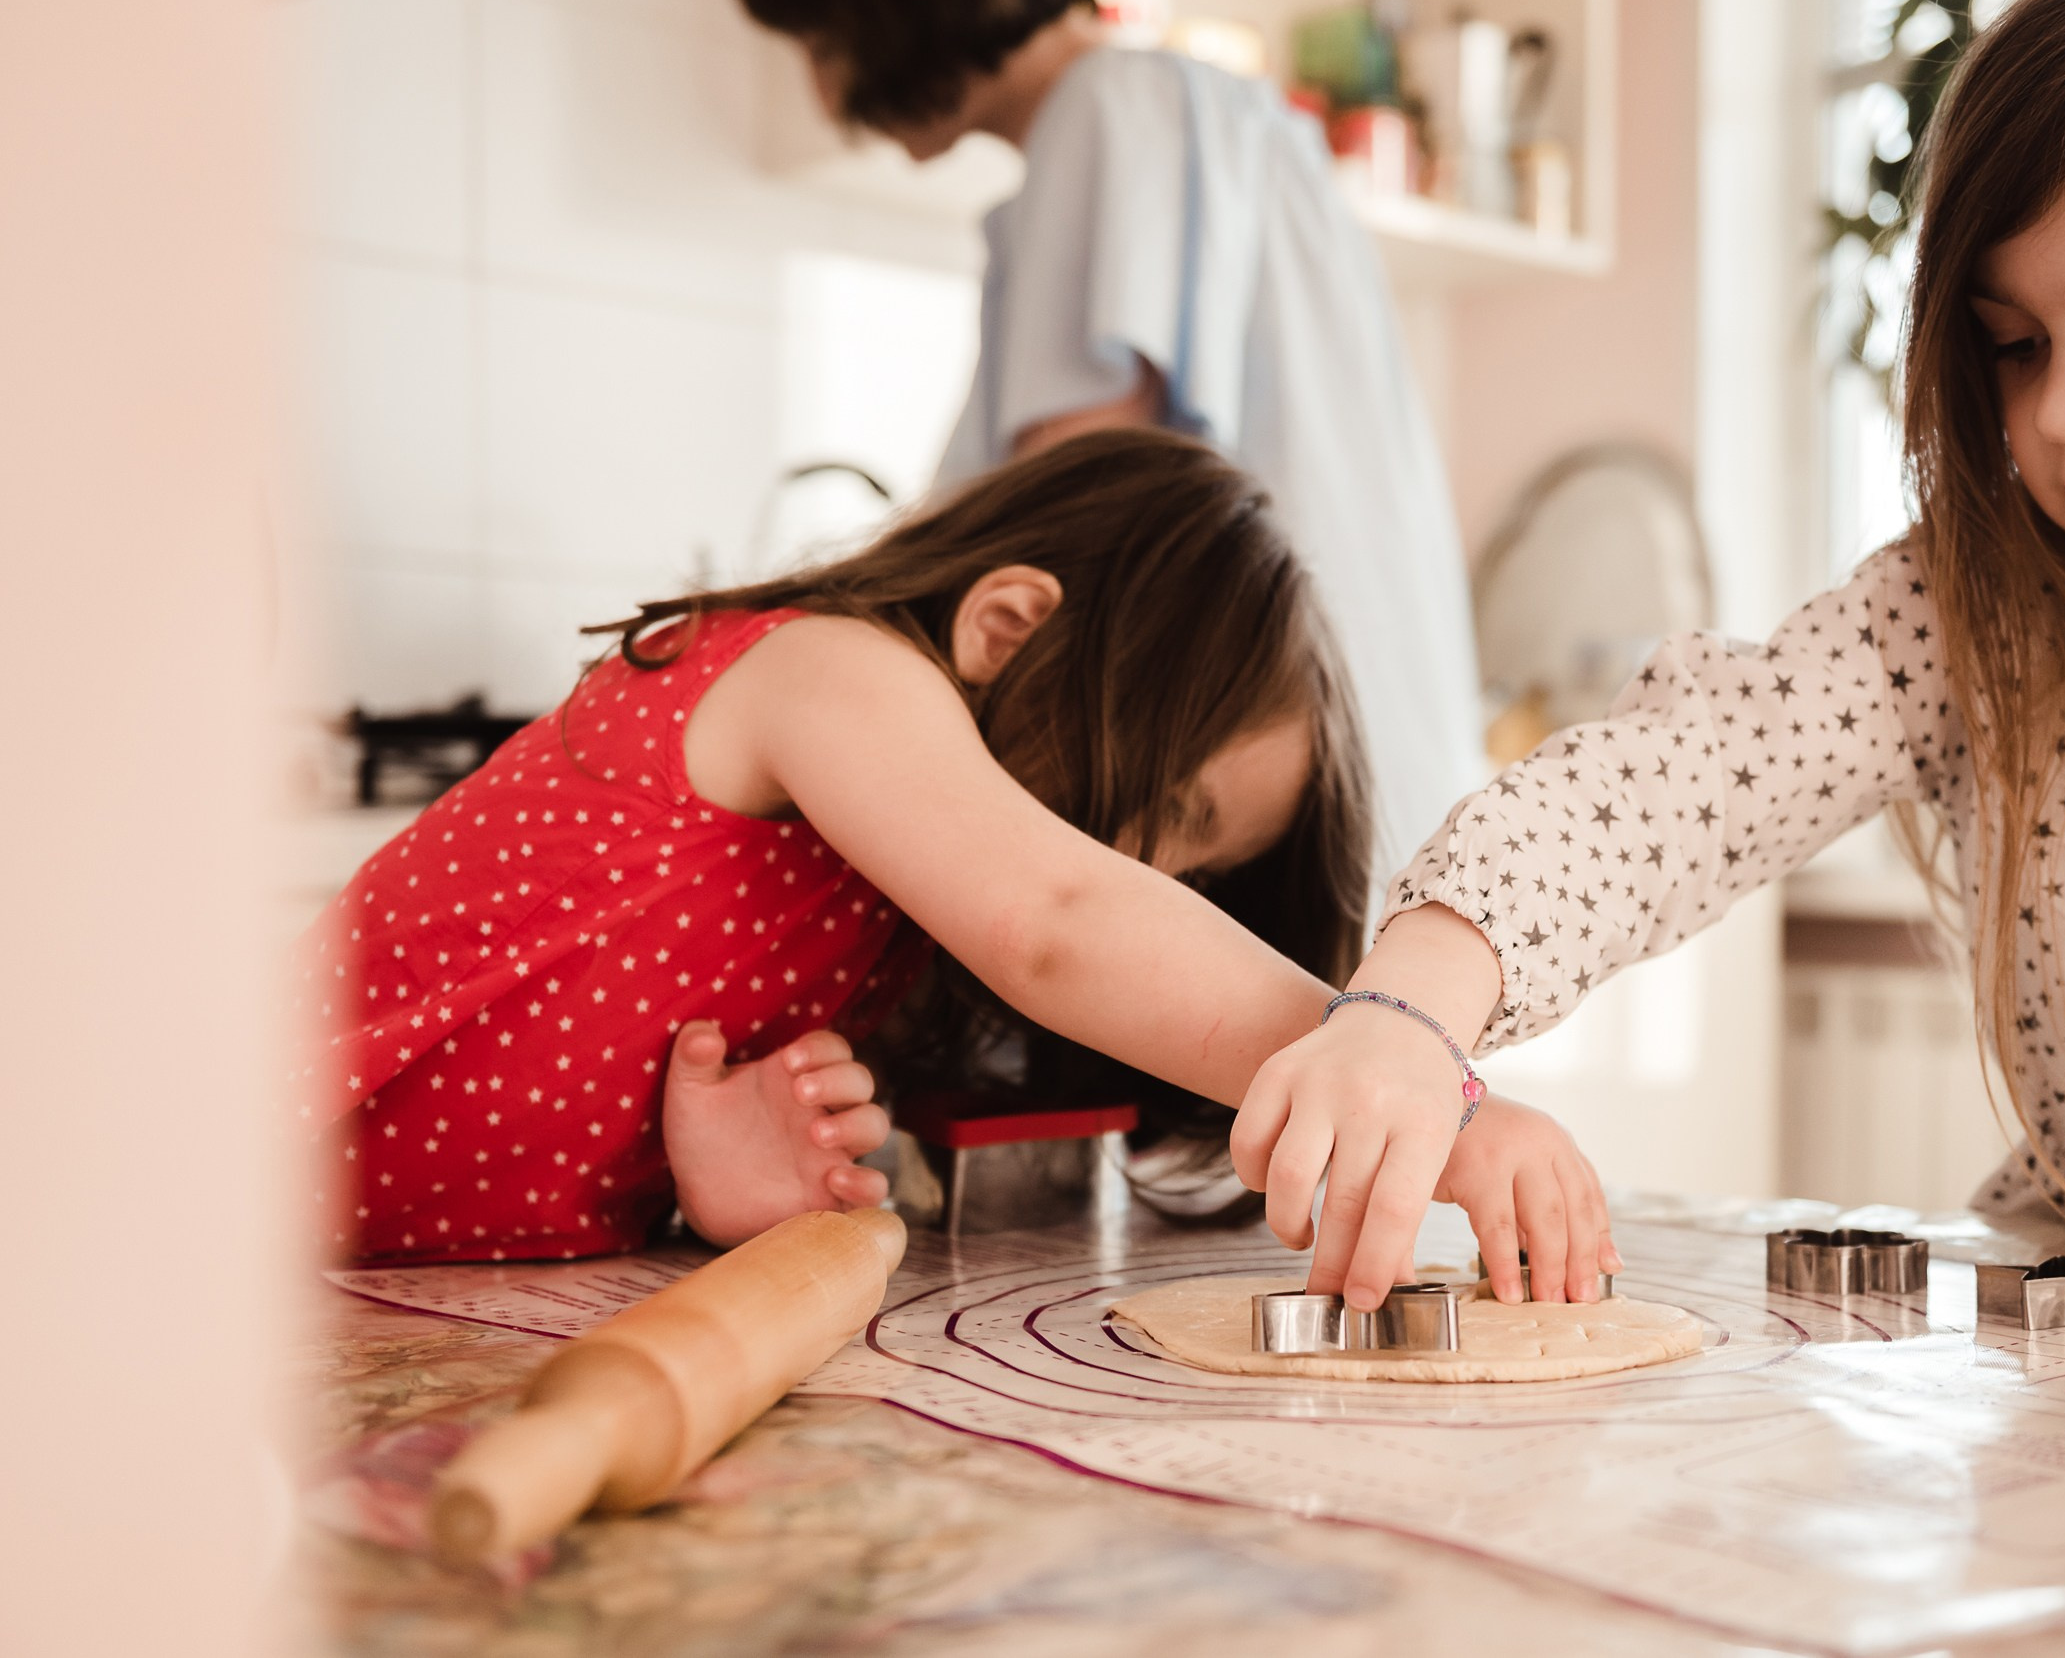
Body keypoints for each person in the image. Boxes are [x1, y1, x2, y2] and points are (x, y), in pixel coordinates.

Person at [1236, 0, 2065, 1310]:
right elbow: (1682, 778)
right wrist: (1410, 1005)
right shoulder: (1974, 609)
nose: (2060, 413)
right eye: (2013, 345)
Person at [298, 430, 1609, 1277]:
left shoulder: (874, 911)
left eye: (1196, 873)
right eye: (1165, 809)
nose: (1156, 883)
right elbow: (1059, 918)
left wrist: (708, 1186)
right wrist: (1411, 1074)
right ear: (1008, 627)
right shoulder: (821, 671)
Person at [734, 0, 1484, 878]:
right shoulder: (1231, 117)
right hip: (1368, 773)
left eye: (822, 43)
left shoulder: (1103, 110)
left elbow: (1071, 518)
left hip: (1226, 763)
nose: (826, 96)